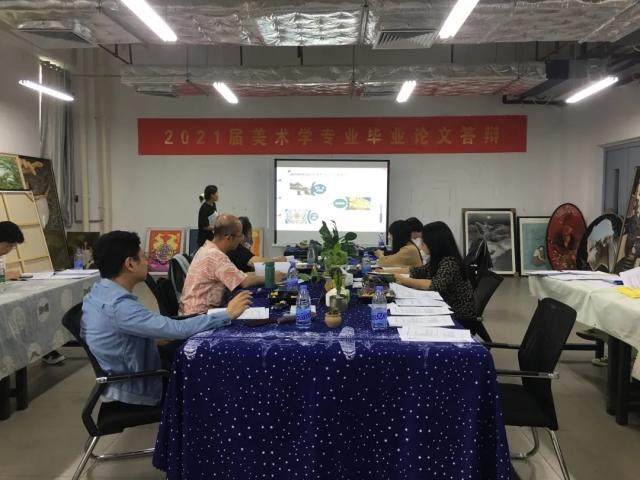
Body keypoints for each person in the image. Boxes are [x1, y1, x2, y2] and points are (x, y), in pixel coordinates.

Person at [81, 230, 252, 406]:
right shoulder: (118, 306)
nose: (147, 262)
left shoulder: (99, 292)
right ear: (130, 264)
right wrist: (227, 314)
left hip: (131, 368)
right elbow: (177, 330)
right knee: (217, 377)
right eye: (143, 257)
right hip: (137, 387)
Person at [180, 214, 285, 315]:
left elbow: (240, 275)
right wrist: (271, 277)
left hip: (195, 311)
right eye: (240, 235)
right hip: (199, 315)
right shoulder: (215, 256)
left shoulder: (208, 249)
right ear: (229, 237)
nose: (242, 239)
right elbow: (245, 282)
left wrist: (265, 274)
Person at [0, 221, 66, 365]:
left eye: (13, 246)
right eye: (9, 245)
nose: (10, 249)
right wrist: (6, 276)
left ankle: (45, 348)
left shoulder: (2, 254)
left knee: (34, 308)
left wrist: (6, 276)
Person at [394, 221, 477, 326]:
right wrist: (384, 272)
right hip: (444, 307)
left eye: (423, 243)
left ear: (434, 244)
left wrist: (403, 280)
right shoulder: (438, 258)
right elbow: (416, 271)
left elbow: (434, 285)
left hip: (458, 316)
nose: (420, 247)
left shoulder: (450, 262)